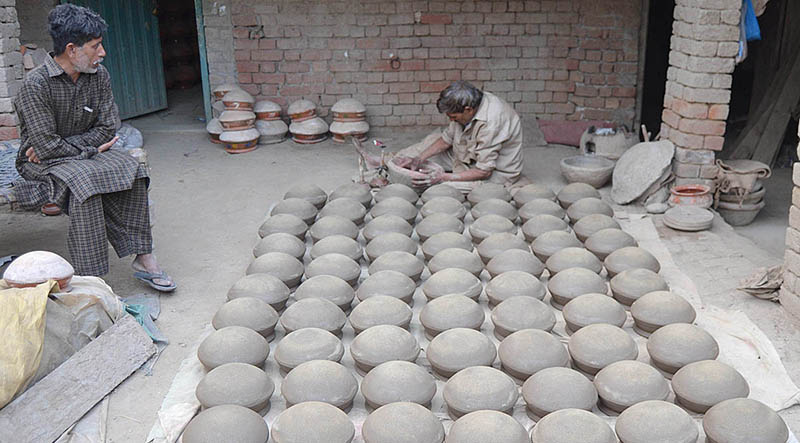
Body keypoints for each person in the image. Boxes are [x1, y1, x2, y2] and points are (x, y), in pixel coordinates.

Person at [13, 4, 176, 291]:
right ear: (72, 49)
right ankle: (92, 277)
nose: (102, 53)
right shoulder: (35, 85)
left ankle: (143, 257)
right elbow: (45, 147)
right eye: (96, 46)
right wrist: (92, 148)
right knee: (84, 184)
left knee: (132, 169)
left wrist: (87, 148)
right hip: (39, 162)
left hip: (77, 154)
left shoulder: (99, 76)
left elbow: (108, 128)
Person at [392, 81, 531, 193]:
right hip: (467, 155)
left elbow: (484, 171)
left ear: (468, 110)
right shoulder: (469, 105)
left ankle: (444, 180)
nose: (452, 120)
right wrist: (419, 158)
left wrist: (442, 177)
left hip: (494, 172)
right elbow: (446, 139)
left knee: (438, 188)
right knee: (428, 144)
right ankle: (389, 162)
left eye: (454, 117)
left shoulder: (491, 123)